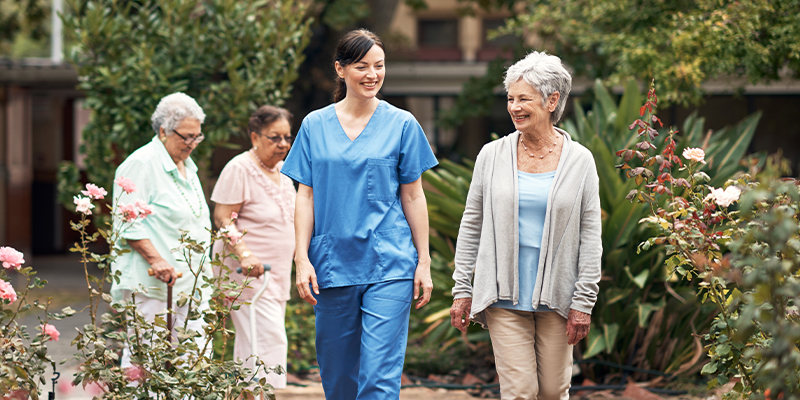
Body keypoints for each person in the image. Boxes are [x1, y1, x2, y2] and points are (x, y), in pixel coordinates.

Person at [280, 29, 439, 400]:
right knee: (338, 377)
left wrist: (424, 261)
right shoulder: (314, 126)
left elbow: (414, 197)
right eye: (362, 66)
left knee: (379, 378)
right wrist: (301, 259)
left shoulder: (402, 124)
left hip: (390, 263)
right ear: (341, 69)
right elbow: (306, 197)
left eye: (379, 66)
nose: (372, 74)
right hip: (332, 264)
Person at [449, 51, 602, 400]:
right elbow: (471, 224)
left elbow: (591, 235)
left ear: (552, 100)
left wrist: (584, 301)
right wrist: (462, 288)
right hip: (503, 294)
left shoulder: (580, 161)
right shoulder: (491, 155)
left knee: (553, 391)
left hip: (559, 298)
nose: (515, 107)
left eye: (524, 99)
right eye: (510, 99)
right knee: (519, 392)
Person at [110, 92, 212, 368]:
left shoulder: (186, 166)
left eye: (197, 136)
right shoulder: (140, 163)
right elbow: (126, 221)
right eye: (186, 136)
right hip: (153, 283)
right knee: (147, 361)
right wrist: (156, 259)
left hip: (190, 284)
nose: (192, 144)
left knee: (194, 358)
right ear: (164, 130)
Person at [210, 105, 296, 389]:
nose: (283, 144)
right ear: (255, 137)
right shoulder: (239, 168)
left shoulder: (283, 170)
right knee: (265, 344)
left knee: (256, 346)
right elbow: (223, 217)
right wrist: (245, 254)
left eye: (287, 137)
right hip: (248, 274)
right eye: (274, 137)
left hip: (275, 274)